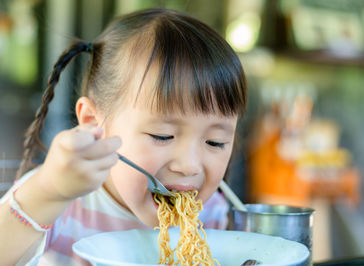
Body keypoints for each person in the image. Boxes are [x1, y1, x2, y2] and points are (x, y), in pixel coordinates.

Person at [0, 8, 247, 265]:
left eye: (215, 142)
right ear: (94, 124)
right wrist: (48, 191)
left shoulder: (216, 217)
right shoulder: (61, 201)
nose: (189, 166)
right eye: (162, 136)